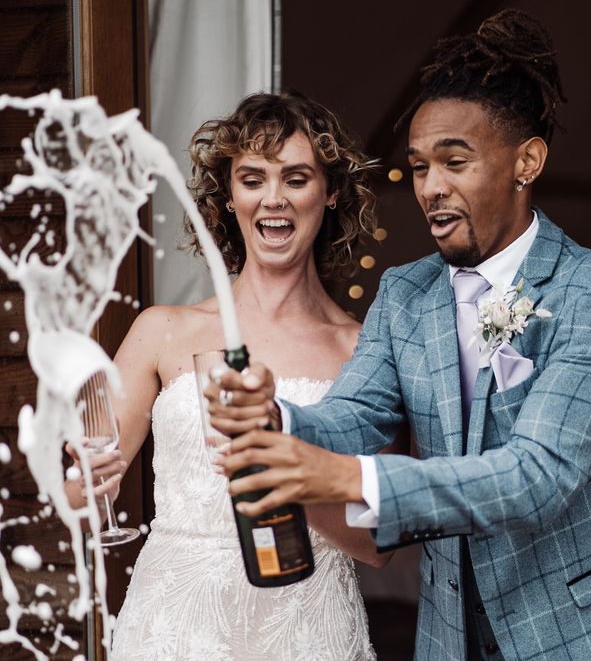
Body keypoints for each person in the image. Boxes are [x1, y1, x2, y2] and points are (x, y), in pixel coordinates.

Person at [208, 9, 591, 660]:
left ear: (526, 162)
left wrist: (347, 480)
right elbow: (357, 414)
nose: (430, 188)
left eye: (455, 162)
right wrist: (278, 414)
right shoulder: (406, 293)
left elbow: (534, 478)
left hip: (587, 640)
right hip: (448, 641)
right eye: (420, 167)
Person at [67, 90, 393, 660]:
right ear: (229, 195)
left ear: (331, 191)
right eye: (252, 178)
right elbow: (82, 503)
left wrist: (285, 473)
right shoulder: (161, 331)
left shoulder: (363, 349)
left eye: (296, 179)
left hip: (308, 628)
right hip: (173, 627)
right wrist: (87, 485)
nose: (274, 199)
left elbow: (379, 545)